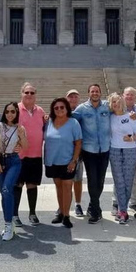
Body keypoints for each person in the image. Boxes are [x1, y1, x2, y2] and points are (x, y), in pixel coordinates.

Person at [72, 84, 111, 224]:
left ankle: (92, 206)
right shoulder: (82, 108)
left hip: (105, 149)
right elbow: (70, 118)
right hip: (89, 150)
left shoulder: (107, 106)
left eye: (97, 91)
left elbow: (119, 112)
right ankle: (95, 210)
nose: (95, 93)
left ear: (100, 93)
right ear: (88, 93)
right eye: (92, 91)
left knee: (100, 181)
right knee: (92, 179)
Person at [44, 97, 83, 229]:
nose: (59, 110)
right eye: (56, 108)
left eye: (62, 107)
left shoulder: (73, 123)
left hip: (68, 161)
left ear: (66, 108)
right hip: (52, 160)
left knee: (67, 186)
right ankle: (61, 211)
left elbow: (78, 143)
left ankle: (66, 215)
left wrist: (74, 161)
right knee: (58, 186)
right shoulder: (48, 122)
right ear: (52, 110)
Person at [0, 102, 27, 241]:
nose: (10, 114)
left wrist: (21, 136)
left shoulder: (20, 128)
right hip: (1, 160)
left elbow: (26, 146)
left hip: (14, 161)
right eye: (7, 112)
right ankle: (9, 223)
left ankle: (7, 225)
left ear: (17, 113)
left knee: (7, 190)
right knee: (4, 193)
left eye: (13, 111)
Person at [107, 93, 136, 224]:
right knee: (119, 182)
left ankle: (123, 210)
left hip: (130, 151)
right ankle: (123, 210)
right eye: (112, 102)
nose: (115, 104)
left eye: (117, 101)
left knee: (128, 181)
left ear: (121, 101)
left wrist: (131, 138)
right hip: (114, 150)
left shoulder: (130, 116)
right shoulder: (110, 117)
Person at [15, 82, 45, 227]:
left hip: (36, 154)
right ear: (21, 94)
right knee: (18, 184)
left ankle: (32, 213)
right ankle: (14, 214)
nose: (29, 95)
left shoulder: (40, 111)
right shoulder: (15, 109)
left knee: (32, 185)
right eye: (26, 92)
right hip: (19, 155)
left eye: (32, 93)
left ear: (35, 95)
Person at [66, 89, 85, 217]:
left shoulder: (82, 112)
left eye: (75, 97)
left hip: (78, 151)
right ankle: (62, 204)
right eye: (70, 97)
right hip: (64, 151)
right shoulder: (61, 111)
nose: (73, 99)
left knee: (77, 180)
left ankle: (78, 204)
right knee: (64, 181)